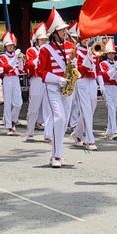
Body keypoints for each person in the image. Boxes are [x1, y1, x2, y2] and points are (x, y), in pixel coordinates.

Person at [36, 9, 72, 168]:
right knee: (59, 118)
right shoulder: (45, 49)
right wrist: (58, 79)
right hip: (52, 87)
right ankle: (57, 156)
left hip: (68, 87)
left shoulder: (70, 46)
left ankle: (56, 153)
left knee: (63, 122)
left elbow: (72, 65)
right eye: (62, 29)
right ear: (54, 33)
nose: (65, 31)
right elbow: (40, 71)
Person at [71, 29, 99, 150]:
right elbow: (78, 70)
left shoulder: (93, 49)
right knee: (86, 108)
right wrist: (88, 59)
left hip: (92, 80)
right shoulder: (75, 50)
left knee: (92, 107)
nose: (86, 40)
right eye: (84, 37)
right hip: (81, 80)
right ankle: (90, 140)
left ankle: (77, 133)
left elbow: (96, 68)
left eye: (88, 37)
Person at [25, 23, 52, 143]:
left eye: (45, 39)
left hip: (47, 79)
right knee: (34, 107)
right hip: (36, 79)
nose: (44, 41)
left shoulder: (50, 50)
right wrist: (40, 55)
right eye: (42, 40)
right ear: (37, 40)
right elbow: (29, 65)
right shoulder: (31, 50)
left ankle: (48, 133)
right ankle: (30, 131)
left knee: (49, 107)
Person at [0, 31, 24, 135]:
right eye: (8, 45)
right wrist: (15, 58)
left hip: (15, 78)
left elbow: (21, 70)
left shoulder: (16, 56)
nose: (11, 47)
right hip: (7, 79)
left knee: (18, 103)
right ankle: (9, 126)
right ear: (5, 46)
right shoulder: (3, 57)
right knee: (7, 103)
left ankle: (13, 120)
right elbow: (6, 68)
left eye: (12, 45)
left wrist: (21, 61)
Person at [97, 40, 117, 139]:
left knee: (114, 109)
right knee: (111, 108)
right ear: (106, 54)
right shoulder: (103, 63)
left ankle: (109, 130)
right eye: (109, 53)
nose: (111, 55)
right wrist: (114, 69)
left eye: (113, 53)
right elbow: (107, 76)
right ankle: (114, 132)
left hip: (114, 87)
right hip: (106, 86)